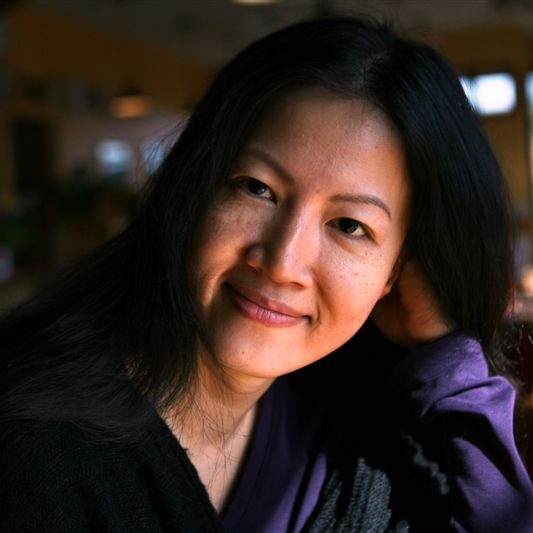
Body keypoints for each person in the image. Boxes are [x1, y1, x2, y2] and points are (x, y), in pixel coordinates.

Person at [1, 16, 532, 533]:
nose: (281, 262)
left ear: (397, 271)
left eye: (349, 225)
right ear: (196, 187)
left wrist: (444, 356)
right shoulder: (33, 450)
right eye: (256, 188)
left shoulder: (352, 444)